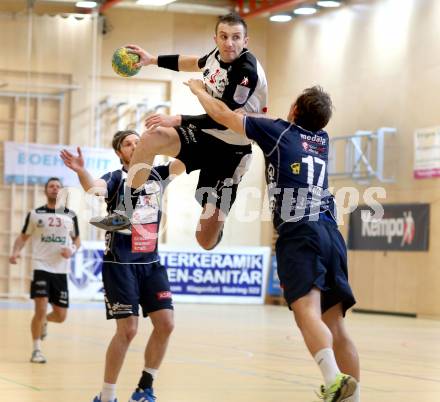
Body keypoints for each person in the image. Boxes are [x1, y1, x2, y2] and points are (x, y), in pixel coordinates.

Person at [186, 80, 360, 402]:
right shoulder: (322, 140)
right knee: (335, 324)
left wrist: (199, 91)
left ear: (294, 110)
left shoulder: (279, 131)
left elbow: (222, 115)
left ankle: (334, 379)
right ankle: (353, 398)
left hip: (300, 233)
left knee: (306, 311)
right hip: (331, 233)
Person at [93, 12, 268, 251]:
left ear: (245, 41)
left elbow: (224, 118)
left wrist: (183, 112)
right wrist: (152, 59)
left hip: (231, 151)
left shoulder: (246, 72)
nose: (229, 43)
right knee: (151, 137)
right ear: (215, 38)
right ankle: (127, 210)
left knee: (204, 241)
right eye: (224, 36)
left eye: (236, 37)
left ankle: (217, 222)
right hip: (206, 135)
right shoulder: (217, 55)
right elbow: (194, 62)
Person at [61, 129, 185, 402]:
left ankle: (145, 387)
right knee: (128, 330)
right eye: (128, 144)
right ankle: (107, 395)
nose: (134, 146)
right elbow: (95, 188)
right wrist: (81, 171)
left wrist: (189, 131)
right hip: (120, 261)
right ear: (120, 153)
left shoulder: (159, 174)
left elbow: (185, 159)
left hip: (151, 261)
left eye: (138, 142)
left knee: (166, 324)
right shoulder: (117, 178)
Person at [9, 177, 81, 364]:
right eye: (51, 186)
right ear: (45, 190)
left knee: (61, 316)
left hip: (61, 270)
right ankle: (36, 350)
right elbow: (23, 237)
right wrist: (15, 252)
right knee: (40, 307)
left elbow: (77, 241)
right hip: (41, 266)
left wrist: (71, 250)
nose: (55, 189)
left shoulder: (70, 215)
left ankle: (45, 322)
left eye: (58, 186)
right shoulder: (35, 214)